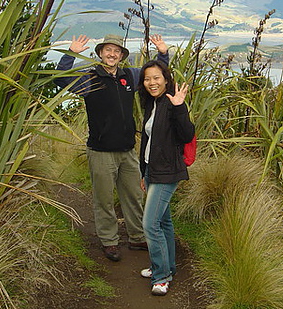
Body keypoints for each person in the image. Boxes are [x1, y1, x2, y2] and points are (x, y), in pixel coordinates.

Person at [54, 33, 169, 262]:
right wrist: (70, 55)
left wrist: (163, 53)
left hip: (127, 150)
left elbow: (155, 76)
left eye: (116, 51)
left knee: (134, 195)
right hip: (101, 151)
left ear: (121, 55)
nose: (112, 54)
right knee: (104, 199)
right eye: (108, 50)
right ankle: (109, 241)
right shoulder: (90, 78)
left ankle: (137, 236)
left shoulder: (129, 75)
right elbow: (60, 79)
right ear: (100, 53)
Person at [137, 60, 194, 296]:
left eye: (156, 78)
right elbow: (148, 142)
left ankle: (161, 276)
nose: (152, 82)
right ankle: (166, 265)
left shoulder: (171, 103)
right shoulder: (153, 103)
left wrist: (180, 107)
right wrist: (143, 172)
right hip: (152, 170)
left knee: (150, 225)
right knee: (163, 222)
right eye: (147, 78)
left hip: (167, 172)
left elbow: (187, 133)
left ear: (166, 79)